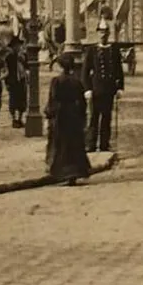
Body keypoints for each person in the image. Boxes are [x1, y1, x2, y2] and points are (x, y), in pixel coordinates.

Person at [45, 52, 92, 186]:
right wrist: (82, 117)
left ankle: (62, 173)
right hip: (74, 115)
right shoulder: (76, 81)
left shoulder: (56, 81)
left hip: (61, 116)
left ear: (60, 66)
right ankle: (74, 174)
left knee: (61, 145)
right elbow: (82, 102)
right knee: (74, 144)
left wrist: (49, 114)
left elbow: (53, 99)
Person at [80, 20, 124, 153]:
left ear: (109, 33)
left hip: (109, 90)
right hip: (95, 89)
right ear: (97, 33)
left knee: (106, 118)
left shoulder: (114, 50)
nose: (103, 35)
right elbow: (85, 72)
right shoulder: (92, 50)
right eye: (101, 32)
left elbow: (119, 70)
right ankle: (91, 144)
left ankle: (104, 144)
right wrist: (87, 89)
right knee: (93, 118)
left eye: (105, 32)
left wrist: (120, 87)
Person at [0, 24, 27, 129]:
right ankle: (14, 119)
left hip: (22, 80)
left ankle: (20, 118)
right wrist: (7, 83)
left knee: (22, 100)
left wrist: (23, 60)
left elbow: (27, 67)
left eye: (19, 46)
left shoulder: (23, 56)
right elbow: (7, 70)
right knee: (13, 100)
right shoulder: (9, 57)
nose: (19, 48)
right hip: (13, 81)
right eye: (17, 46)